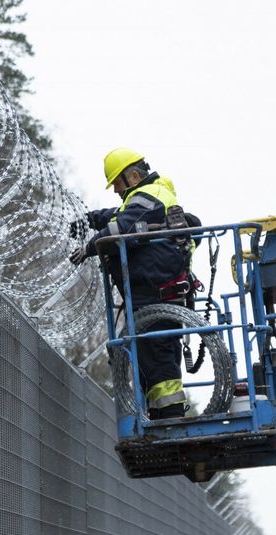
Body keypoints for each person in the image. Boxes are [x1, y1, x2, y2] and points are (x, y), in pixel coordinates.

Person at [70, 147, 195, 419]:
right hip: (155, 295)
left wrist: (90, 247)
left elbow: (122, 227)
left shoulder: (147, 197)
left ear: (134, 176)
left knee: (158, 358)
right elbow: (120, 215)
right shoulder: (149, 197)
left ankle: (169, 418)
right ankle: (161, 414)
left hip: (155, 295)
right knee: (152, 356)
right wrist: (91, 220)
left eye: (117, 183)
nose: (115, 190)